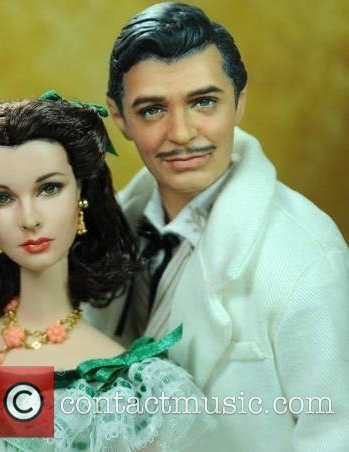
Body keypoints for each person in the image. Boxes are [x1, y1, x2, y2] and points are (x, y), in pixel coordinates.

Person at [0, 94, 213, 451]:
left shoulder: (123, 392)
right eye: (0, 198)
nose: (29, 218)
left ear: (80, 193)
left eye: (49, 188)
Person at [84, 3, 349, 451]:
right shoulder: (102, 233)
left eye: (203, 102)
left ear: (239, 102)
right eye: (152, 110)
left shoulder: (305, 262)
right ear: (119, 118)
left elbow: (336, 433)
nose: (182, 133)